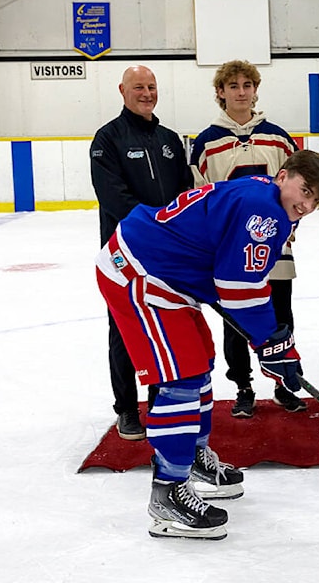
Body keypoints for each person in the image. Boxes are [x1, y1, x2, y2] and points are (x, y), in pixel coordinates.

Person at [95, 150, 319, 540]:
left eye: (315, 202)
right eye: (304, 191)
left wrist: (273, 342)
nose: (306, 206)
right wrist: (273, 343)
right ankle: (168, 494)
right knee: (182, 377)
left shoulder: (264, 195)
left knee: (199, 362)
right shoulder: (266, 212)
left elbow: (238, 276)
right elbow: (238, 289)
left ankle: (192, 456)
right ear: (283, 175)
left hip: (168, 278)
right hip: (140, 272)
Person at [190, 59, 306, 418]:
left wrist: (287, 229)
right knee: (235, 320)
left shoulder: (277, 137)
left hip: (275, 250)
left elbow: (299, 191)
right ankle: (243, 386)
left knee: (279, 316)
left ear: (255, 90)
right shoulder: (207, 143)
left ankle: (282, 384)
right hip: (231, 255)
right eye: (233, 86)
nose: (241, 92)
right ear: (220, 93)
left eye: (247, 85)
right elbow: (202, 198)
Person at [90, 65, 191, 441]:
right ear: (122, 90)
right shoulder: (107, 139)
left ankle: (159, 400)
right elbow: (113, 196)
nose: (146, 93)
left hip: (165, 253)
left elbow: (184, 192)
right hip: (124, 254)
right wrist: (156, 228)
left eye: (151, 87)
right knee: (123, 328)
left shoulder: (168, 139)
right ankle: (128, 409)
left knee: (163, 327)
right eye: (138, 87)